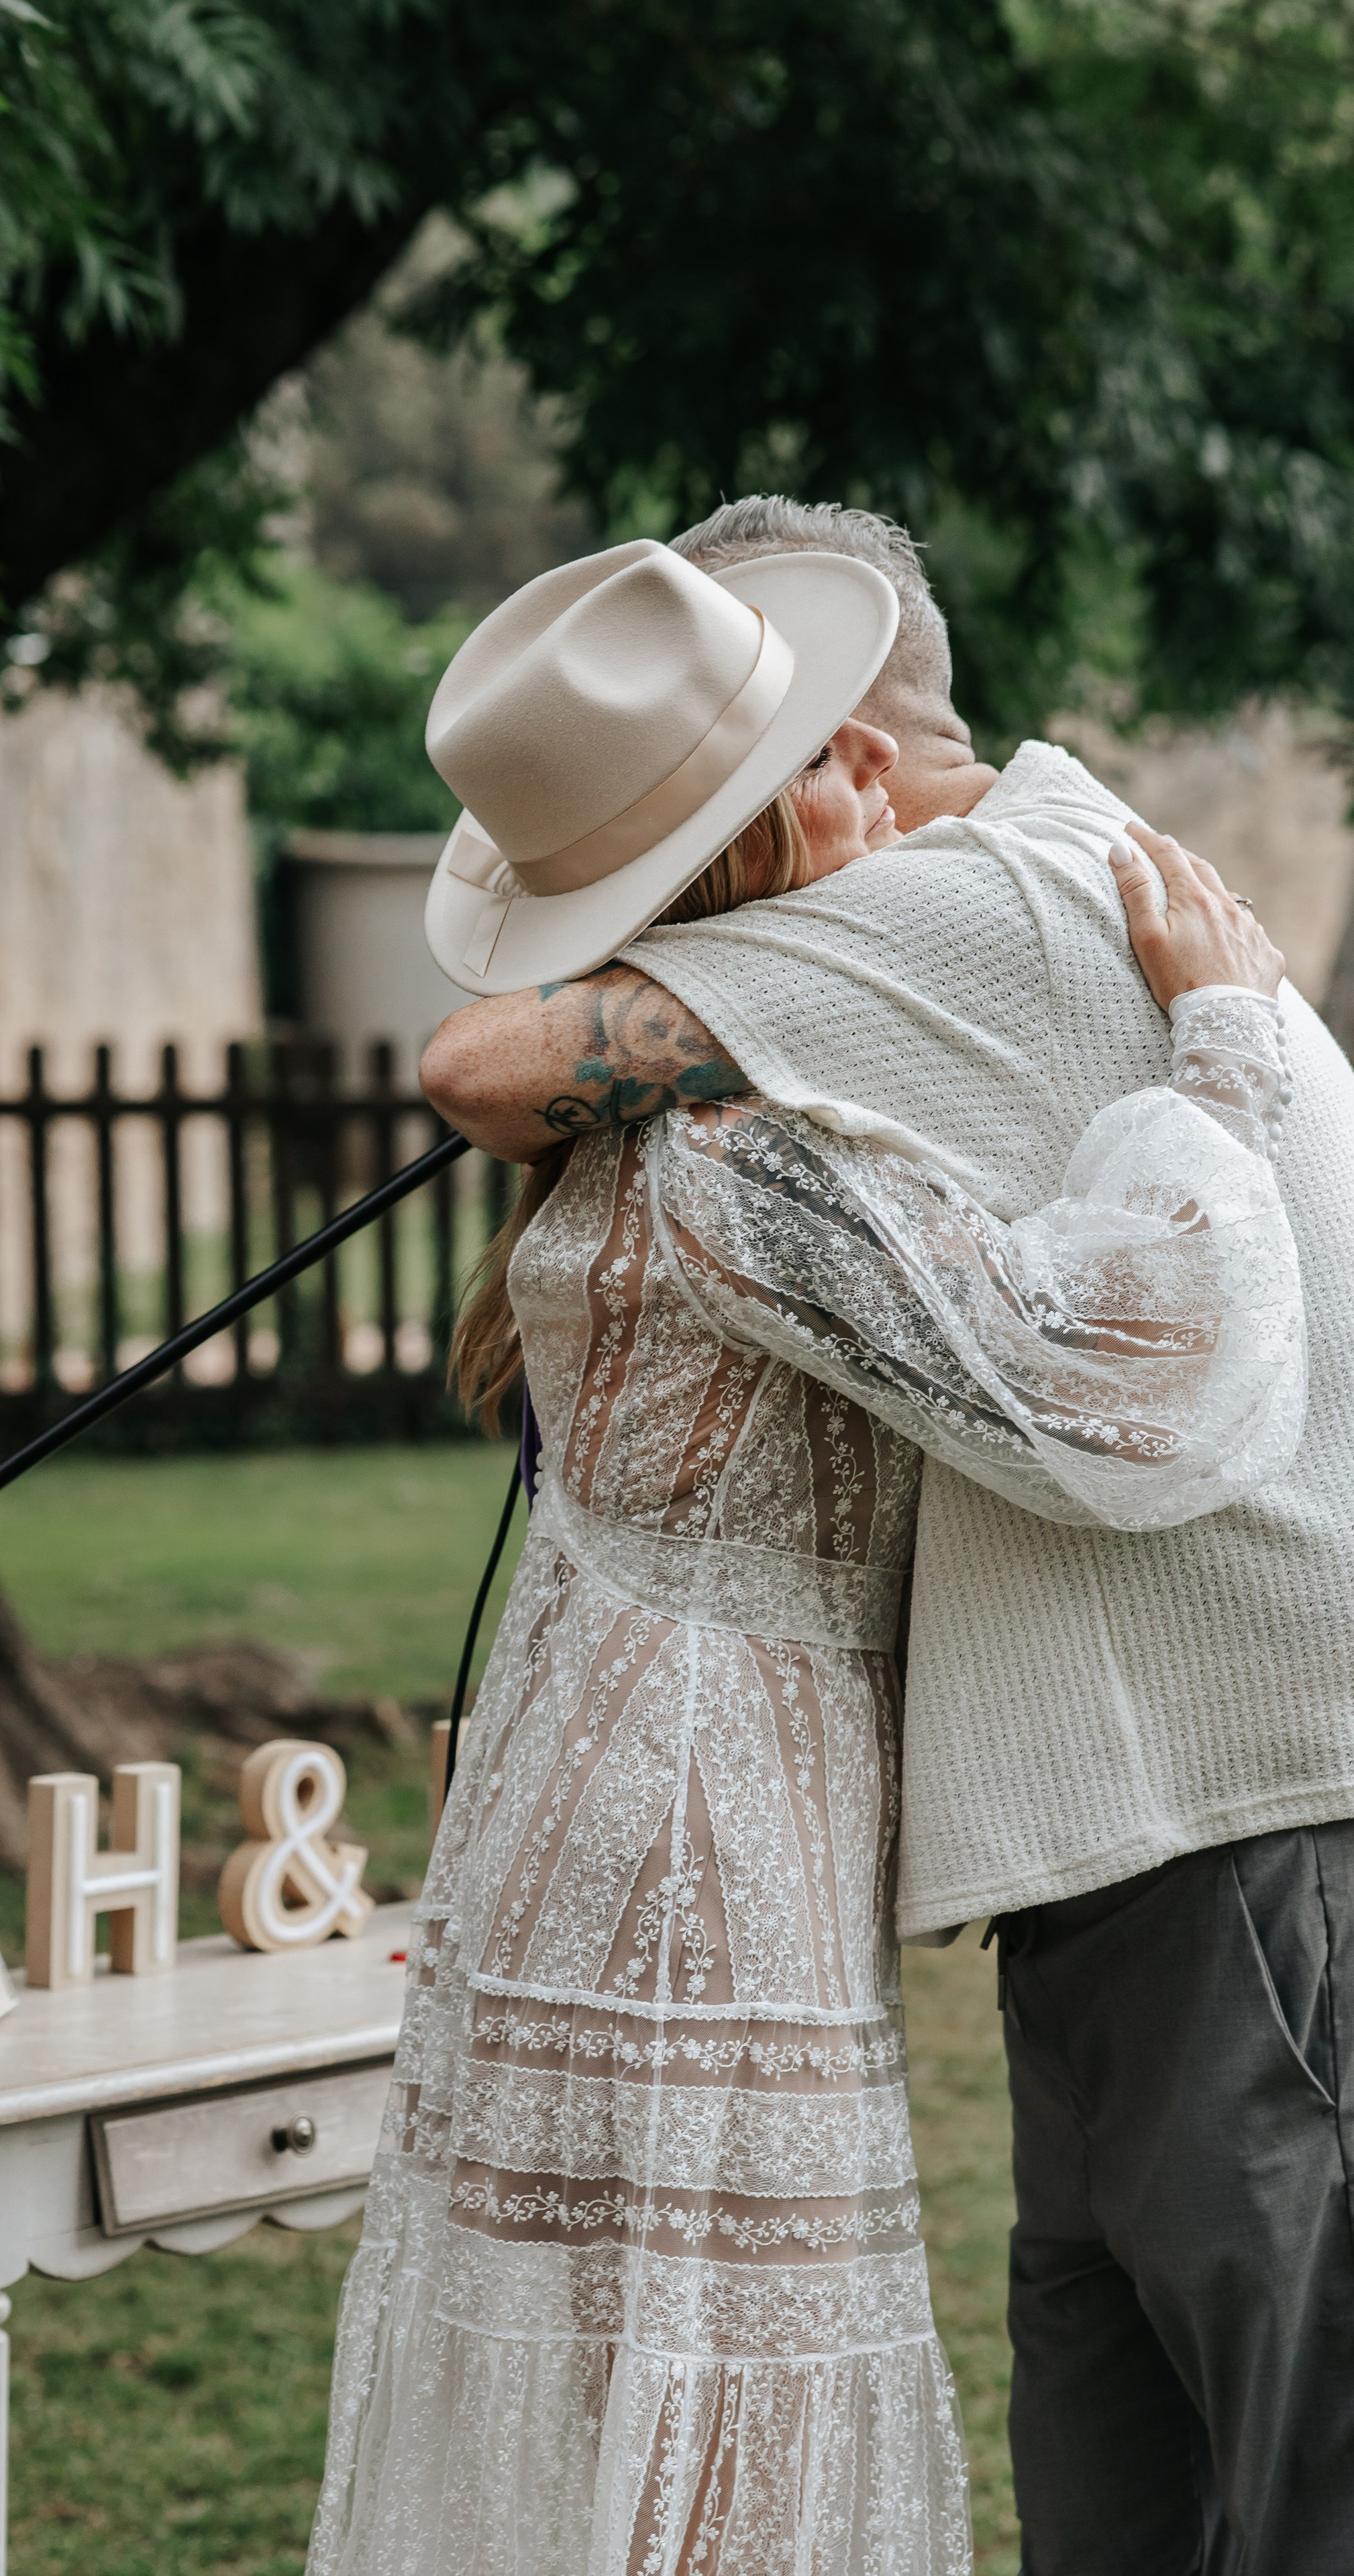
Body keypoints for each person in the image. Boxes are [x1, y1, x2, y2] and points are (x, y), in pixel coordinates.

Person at [423, 500, 1354, 2576]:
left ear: (851, 755)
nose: (639, 934)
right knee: (1147, 2490)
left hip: (1287, 1813)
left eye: (660, 864)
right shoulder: (1019, 879)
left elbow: (481, 1057)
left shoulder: (963, 904)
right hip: (1184, 1828)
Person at [310, 537, 1301, 2576]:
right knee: (711, 2388)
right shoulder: (754, 1161)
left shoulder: (637, 1130)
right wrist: (1221, 1056)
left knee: (610, 2359)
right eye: (828, 768)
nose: (879, 777)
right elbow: (1126, 1370)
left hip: (584, 1778)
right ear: (767, 839)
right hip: (704, 1822)